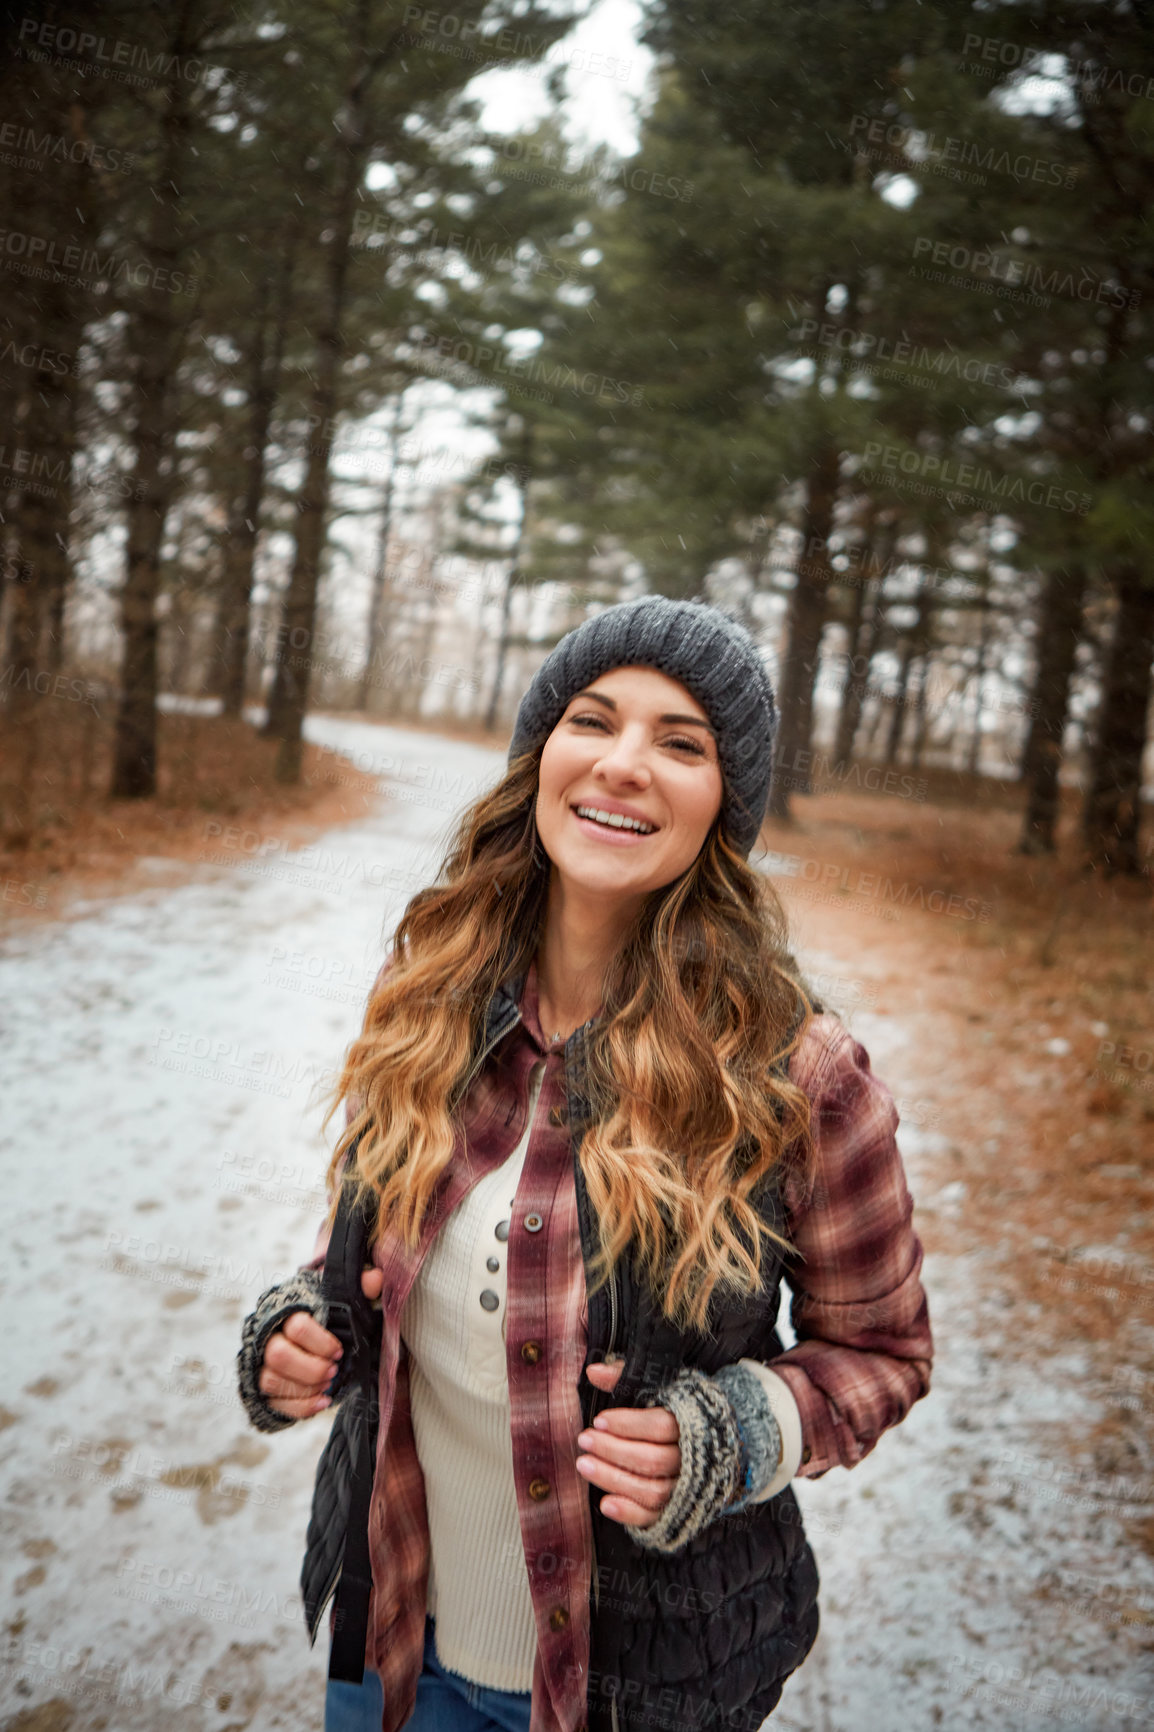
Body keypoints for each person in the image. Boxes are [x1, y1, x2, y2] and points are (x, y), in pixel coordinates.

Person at [237, 595, 934, 1732]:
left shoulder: (798, 1076)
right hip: (390, 1640)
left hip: (638, 1688)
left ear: (724, 806)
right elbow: (365, 1234)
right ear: (539, 756)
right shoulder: (431, 994)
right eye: (591, 720)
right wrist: (302, 1323)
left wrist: (737, 1435)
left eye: (680, 742)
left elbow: (884, 1352)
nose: (623, 765)